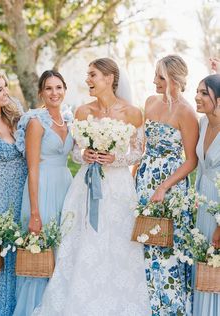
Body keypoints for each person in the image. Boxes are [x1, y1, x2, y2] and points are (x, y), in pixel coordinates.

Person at [33, 58, 151, 315]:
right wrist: (85, 156)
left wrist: (115, 158)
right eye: (88, 75)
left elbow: (137, 153)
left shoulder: (132, 112)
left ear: (109, 78)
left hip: (118, 186)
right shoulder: (82, 112)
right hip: (86, 185)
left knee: (118, 241)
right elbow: (75, 152)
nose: (88, 80)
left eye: (92, 75)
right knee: (83, 240)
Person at [135, 55, 199, 315]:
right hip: (145, 179)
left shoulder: (186, 112)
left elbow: (191, 160)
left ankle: (171, 307)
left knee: (168, 246)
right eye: (155, 76)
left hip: (170, 186)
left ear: (175, 79)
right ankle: (145, 304)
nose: (154, 81)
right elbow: (141, 148)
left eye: (160, 77)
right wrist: (133, 175)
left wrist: (163, 187)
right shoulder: (150, 102)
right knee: (144, 240)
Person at [13, 70, 74, 316]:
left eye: (58, 87)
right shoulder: (36, 122)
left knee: (62, 252)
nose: (54, 93)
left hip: (66, 187)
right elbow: (32, 167)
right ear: (40, 93)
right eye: (48, 88)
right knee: (41, 253)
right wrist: (35, 212)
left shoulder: (69, 121)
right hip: (42, 188)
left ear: (65, 90)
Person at [0, 69, 27, 316]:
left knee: (20, 254)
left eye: (5, 87)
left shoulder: (15, 115)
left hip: (20, 193)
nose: (5, 93)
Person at [193, 71, 220, 316]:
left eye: (204, 93)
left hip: (219, 208)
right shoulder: (202, 123)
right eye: (197, 92)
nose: (197, 97)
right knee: (203, 267)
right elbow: (200, 165)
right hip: (202, 202)